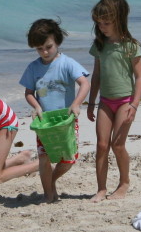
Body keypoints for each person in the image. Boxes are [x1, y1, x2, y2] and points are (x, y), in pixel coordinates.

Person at [20, 18, 90, 203]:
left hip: (66, 119)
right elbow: (28, 92)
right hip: (44, 121)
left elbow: (84, 83)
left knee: (69, 158)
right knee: (44, 157)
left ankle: (51, 181)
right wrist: (36, 106)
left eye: (48, 47)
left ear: (57, 41)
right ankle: (49, 193)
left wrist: (76, 103)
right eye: (39, 49)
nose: (44, 52)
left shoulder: (68, 63)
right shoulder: (33, 67)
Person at [86, 0, 141, 202]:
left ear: (119, 19)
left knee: (117, 145)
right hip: (105, 102)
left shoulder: (130, 45)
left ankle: (124, 183)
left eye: (106, 22)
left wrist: (134, 105)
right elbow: (97, 76)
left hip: (124, 102)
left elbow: (139, 77)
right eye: (99, 23)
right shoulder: (100, 45)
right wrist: (91, 102)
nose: (102, 26)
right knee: (102, 145)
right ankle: (101, 189)